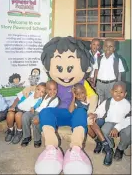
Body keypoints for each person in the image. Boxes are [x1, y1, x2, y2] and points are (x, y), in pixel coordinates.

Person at [32, 36, 98, 175]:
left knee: (80, 112)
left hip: (74, 116)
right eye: (60, 68)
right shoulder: (53, 82)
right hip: (58, 115)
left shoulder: (82, 82)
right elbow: (42, 94)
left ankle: (75, 150)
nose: (65, 74)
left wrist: (91, 112)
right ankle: (51, 148)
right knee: (45, 112)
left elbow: (94, 97)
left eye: (70, 68)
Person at [70, 83, 113, 166]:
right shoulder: (76, 102)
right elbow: (71, 111)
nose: (80, 96)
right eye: (77, 94)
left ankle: (108, 149)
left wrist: (93, 115)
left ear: (86, 91)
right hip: (88, 123)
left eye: (82, 92)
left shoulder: (92, 99)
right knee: (86, 125)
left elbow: (101, 111)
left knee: (91, 121)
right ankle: (99, 142)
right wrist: (73, 97)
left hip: (98, 120)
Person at [90, 81, 130, 163]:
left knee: (129, 132)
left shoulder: (128, 104)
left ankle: (120, 148)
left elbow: (129, 119)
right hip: (110, 122)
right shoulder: (107, 102)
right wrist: (96, 115)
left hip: (123, 124)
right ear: (111, 92)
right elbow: (100, 111)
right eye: (116, 91)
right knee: (104, 130)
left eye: (121, 92)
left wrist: (117, 128)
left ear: (125, 94)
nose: (118, 94)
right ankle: (109, 146)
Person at [21, 80, 60, 148]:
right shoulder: (45, 95)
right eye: (50, 89)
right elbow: (39, 103)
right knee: (25, 116)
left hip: (44, 115)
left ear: (57, 89)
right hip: (35, 111)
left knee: (35, 120)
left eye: (55, 89)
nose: (52, 91)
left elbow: (47, 111)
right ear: (46, 90)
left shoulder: (55, 100)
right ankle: (27, 136)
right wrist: (33, 107)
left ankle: (37, 139)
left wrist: (39, 117)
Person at [94, 38, 125, 104]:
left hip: (112, 84)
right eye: (106, 46)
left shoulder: (117, 60)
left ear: (114, 48)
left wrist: (118, 84)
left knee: (110, 101)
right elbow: (96, 70)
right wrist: (94, 82)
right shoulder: (99, 58)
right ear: (103, 47)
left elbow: (119, 74)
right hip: (99, 84)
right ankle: (100, 114)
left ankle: (108, 113)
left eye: (110, 46)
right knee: (99, 101)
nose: (108, 48)